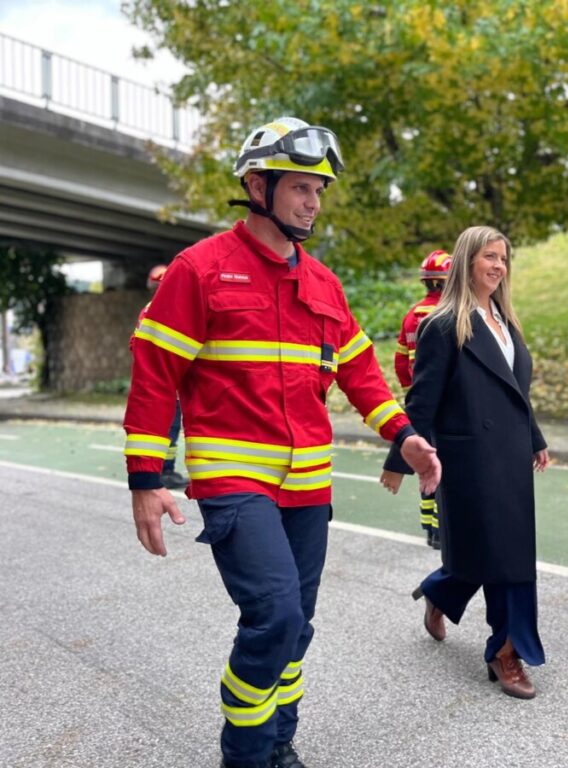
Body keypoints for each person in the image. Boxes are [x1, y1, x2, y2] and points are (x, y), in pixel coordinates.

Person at [123, 116, 440, 768]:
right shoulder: (200, 269)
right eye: (300, 187)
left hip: (308, 486)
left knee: (297, 626)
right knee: (272, 617)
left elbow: (359, 371)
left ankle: (280, 741)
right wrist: (146, 479)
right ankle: (245, 753)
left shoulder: (323, 284)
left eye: (319, 190)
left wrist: (402, 434)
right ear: (257, 185)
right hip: (235, 481)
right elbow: (156, 374)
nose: (313, 202)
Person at [380, 225, 550, 700]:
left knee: (500, 552)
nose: (498, 265)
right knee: (500, 555)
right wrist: (402, 457)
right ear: (465, 262)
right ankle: (506, 652)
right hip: (469, 459)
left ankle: (441, 594)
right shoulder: (441, 324)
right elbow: (422, 400)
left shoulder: (506, 321)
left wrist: (535, 437)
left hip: (512, 458)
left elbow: (516, 393)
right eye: (488, 257)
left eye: (503, 258)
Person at [388, 249, 452, 549]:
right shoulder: (450, 314)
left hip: (419, 402)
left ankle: (429, 525)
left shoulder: (412, 315)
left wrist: (410, 390)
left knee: (426, 462)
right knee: (444, 464)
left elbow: (401, 361)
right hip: (446, 404)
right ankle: (442, 527)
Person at [131, 264, 188, 489]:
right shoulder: (167, 309)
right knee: (170, 429)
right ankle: (166, 470)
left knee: (164, 428)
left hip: (157, 382)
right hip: (169, 384)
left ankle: (162, 468)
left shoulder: (148, 309)